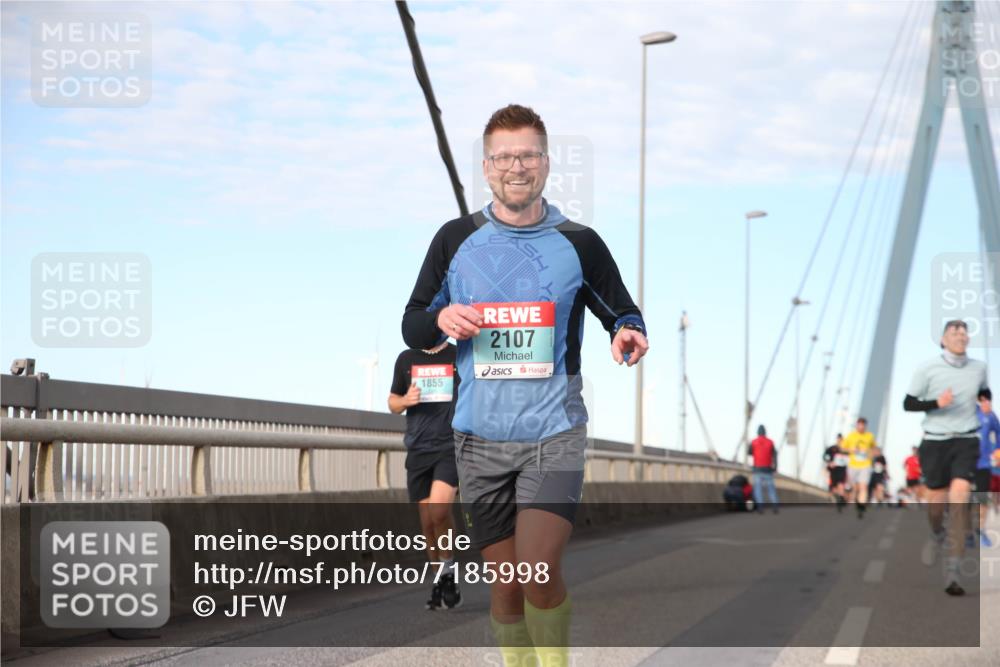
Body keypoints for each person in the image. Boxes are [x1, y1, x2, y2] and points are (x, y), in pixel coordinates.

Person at [402, 104, 648, 667]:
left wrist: (628, 332)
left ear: (546, 162)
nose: (518, 165)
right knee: (507, 587)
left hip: (552, 433)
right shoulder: (455, 239)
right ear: (486, 167)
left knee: (536, 571)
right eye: (504, 156)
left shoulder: (578, 242)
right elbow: (413, 321)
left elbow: (622, 310)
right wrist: (441, 319)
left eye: (529, 154)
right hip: (478, 440)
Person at [904, 319, 989, 596]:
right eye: (955, 332)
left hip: (966, 439)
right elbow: (908, 403)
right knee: (937, 506)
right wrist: (935, 403)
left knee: (960, 496)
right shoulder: (927, 369)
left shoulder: (979, 368)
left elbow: (983, 389)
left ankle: (953, 572)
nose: (961, 335)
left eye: (965, 332)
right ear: (943, 339)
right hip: (934, 442)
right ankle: (936, 533)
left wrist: (985, 400)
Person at [388, 341, 463, 610]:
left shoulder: (458, 354)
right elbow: (392, 402)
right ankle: (441, 580)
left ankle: (450, 571)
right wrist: (406, 400)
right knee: (427, 524)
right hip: (418, 449)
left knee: (439, 511)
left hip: (449, 445)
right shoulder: (406, 358)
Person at [975, 388, 999, 547]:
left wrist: (997, 453)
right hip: (964, 462)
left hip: (983, 464)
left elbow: (999, 434)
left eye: (987, 399)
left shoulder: (991, 416)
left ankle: (980, 529)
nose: (984, 402)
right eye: (981, 399)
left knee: (982, 498)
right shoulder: (967, 412)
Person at [842, 417, 876, 519]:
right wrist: (850, 450)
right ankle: (857, 502)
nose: (861, 426)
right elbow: (842, 448)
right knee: (855, 488)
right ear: (857, 425)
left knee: (863, 486)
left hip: (865, 465)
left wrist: (871, 455)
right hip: (853, 465)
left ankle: (861, 506)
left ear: (865, 426)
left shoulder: (870, 436)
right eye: (859, 424)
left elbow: (873, 448)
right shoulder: (851, 436)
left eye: (863, 425)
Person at [748, 425, 779, 513]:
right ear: (765, 432)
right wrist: (775, 467)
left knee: (758, 489)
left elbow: (749, 452)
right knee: (771, 489)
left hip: (757, 469)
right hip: (768, 469)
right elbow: (775, 455)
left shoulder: (754, 442)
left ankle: (760, 507)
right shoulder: (770, 442)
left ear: (757, 432)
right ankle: (775, 506)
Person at [823, 434, 849, 512]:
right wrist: (829, 462)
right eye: (839, 439)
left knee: (841, 485)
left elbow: (852, 458)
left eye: (841, 440)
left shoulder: (847, 449)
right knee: (833, 488)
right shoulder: (832, 448)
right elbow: (825, 456)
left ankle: (840, 501)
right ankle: (839, 498)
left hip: (842, 470)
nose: (840, 441)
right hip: (833, 470)